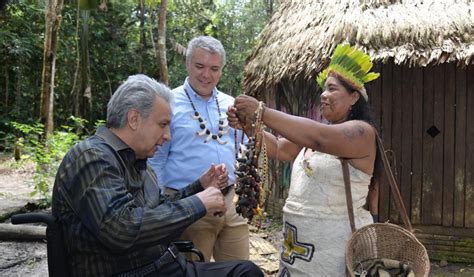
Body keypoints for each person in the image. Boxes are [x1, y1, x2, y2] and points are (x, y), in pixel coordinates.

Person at [51, 74, 263, 277]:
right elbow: (121, 229)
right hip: (132, 272)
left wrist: (198, 187)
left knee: (246, 271)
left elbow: (158, 208)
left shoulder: (136, 161)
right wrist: (198, 203)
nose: (167, 136)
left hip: (163, 266)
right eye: (162, 125)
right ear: (134, 119)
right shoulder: (92, 158)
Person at [228, 44, 383, 276]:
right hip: (297, 248)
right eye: (323, 89)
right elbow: (280, 148)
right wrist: (250, 127)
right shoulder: (318, 134)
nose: (323, 94)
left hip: (335, 250)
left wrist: (262, 111)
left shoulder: (362, 133)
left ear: (353, 97)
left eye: (332, 89)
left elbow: (319, 138)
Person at [148, 36, 249, 262]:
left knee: (240, 270)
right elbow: (156, 159)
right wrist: (160, 206)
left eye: (214, 68)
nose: (206, 75)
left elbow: (246, 146)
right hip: (189, 203)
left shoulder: (230, 104)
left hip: (232, 201)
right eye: (200, 66)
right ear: (188, 64)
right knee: (191, 270)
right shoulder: (168, 103)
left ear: (221, 70)